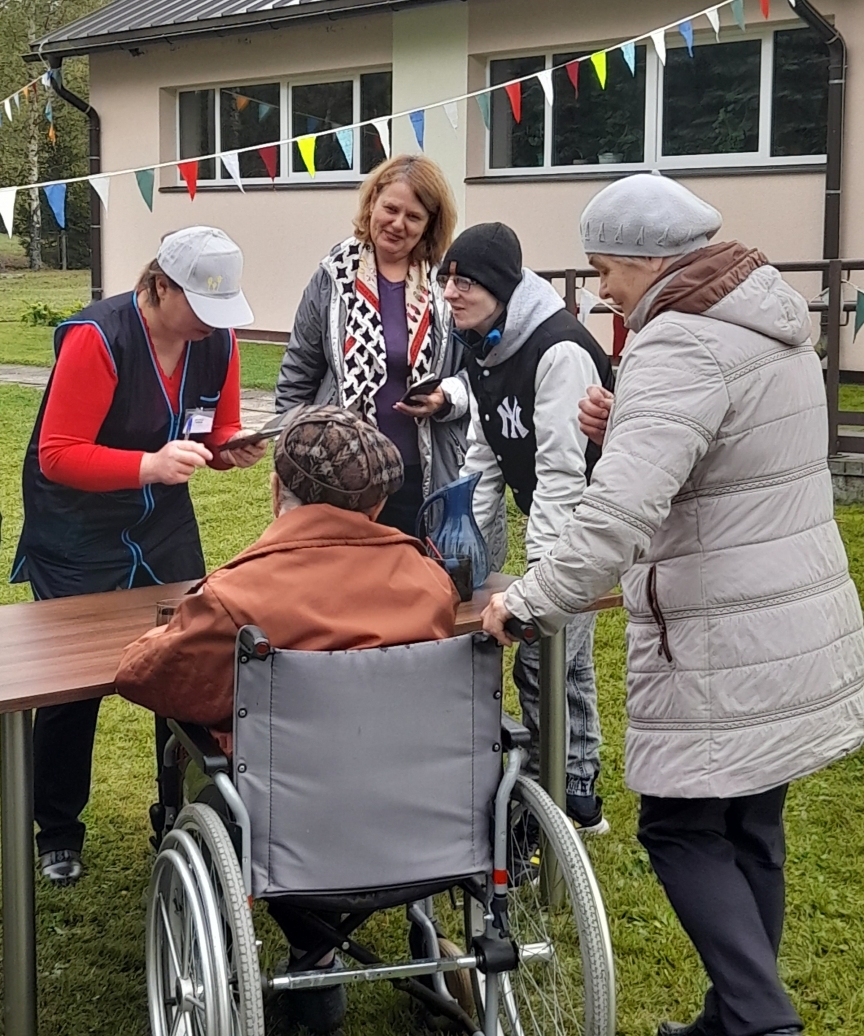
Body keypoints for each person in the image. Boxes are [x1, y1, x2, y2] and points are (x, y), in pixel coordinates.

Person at [482, 174, 864, 1036]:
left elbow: (616, 515)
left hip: (723, 635)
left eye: (605, 269)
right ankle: (733, 1017)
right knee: (752, 826)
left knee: (681, 829)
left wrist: (532, 595)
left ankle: (762, 1021)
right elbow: (736, 458)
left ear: (647, 260)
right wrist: (629, 426)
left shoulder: (678, 342)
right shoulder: (768, 322)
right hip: (795, 621)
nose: (602, 289)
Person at [116, 405, 459, 1034]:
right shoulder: (434, 585)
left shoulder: (238, 597)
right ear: (378, 507)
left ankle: (315, 955)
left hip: (289, 825)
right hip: (425, 811)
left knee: (232, 781)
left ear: (278, 490)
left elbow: (149, 678)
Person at [12, 226, 268, 887]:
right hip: (74, 529)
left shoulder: (220, 343)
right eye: (202, 310)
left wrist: (231, 446)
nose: (213, 327)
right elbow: (57, 453)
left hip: (160, 524)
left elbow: (216, 428)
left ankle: (183, 816)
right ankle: (57, 830)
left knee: (192, 654)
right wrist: (149, 464)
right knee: (75, 684)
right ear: (158, 286)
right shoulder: (97, 338)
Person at [438, 222, 614, 832]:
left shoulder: (557, 351)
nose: (452, 292)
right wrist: (463, 554)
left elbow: (563, 474)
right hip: (548, 505)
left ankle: (563, 796)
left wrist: (541, 581)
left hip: (590, 519)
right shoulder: (484, 344)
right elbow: (483, 456)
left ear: (504, 286)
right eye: (448, 279)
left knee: (547, 656)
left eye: (467, 281)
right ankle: (573, 780)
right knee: (561, 658)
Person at [275, 154, 468, 536]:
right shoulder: (333, 276)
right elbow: (299, 371)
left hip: (423, 472)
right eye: (391, 209)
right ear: (372, 202)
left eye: (413, 217)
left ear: (430, 224)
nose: (398, 224)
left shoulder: (447, 282)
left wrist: (445, 396)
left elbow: (475, 370)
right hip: (341, 474)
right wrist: (290, 456)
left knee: (414, 582)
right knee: (340, 585)